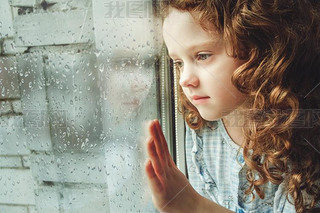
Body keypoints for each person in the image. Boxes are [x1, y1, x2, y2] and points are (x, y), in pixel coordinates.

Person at [145, 0, 320, 212]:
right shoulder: (201, 125)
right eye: (179, 63)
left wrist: (193, 206)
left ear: (258, 49)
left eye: (202, 56)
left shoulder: (301, 139)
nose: (184, 80)